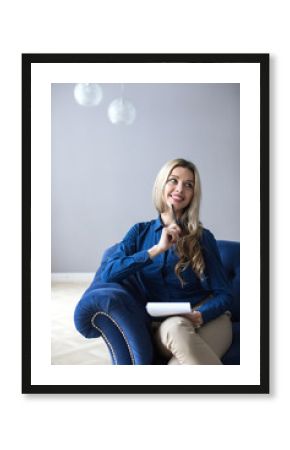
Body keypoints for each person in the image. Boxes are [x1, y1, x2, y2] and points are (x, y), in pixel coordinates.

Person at [101, 158, 233, 365]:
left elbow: (224, 294)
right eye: (173, 180)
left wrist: (200, 314)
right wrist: (157, 249)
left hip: (210, 319)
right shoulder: (139, 233)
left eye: (189, 185)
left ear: (193, 195)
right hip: (167, 327)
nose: (180, 189)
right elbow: (108, 273)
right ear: (161, 185)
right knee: (175, 328)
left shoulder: (203, 237)